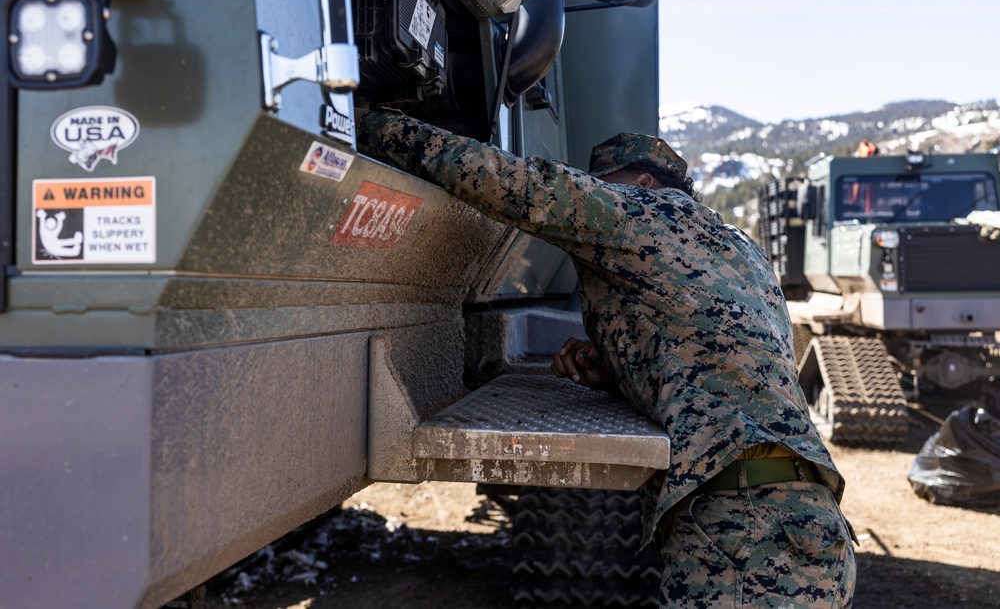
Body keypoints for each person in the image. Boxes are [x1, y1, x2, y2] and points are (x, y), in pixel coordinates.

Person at [356, 109, 856, 608]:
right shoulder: (737, 248)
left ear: (642, 183)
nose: (596, 201)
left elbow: (522, 186)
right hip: (797, 525)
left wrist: (375, 126)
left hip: (748, 535)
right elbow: (724, 363)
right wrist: (620, 372)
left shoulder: (645, 216)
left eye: (602, 188)